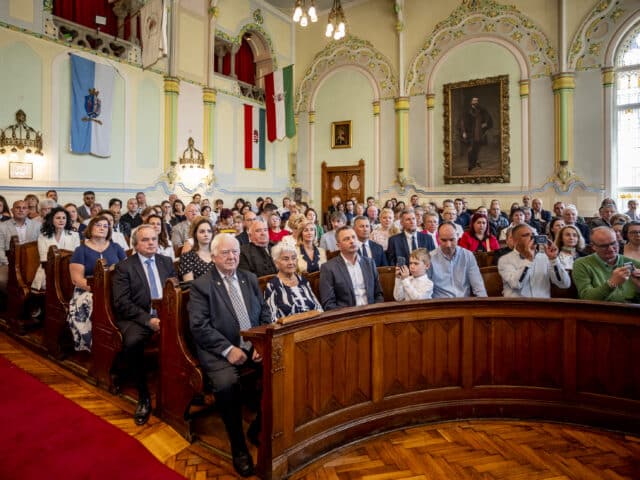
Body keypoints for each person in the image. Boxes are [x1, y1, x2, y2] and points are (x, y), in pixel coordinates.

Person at [188, 233, 271, 476]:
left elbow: (264, 313)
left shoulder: (249, 278)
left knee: (281, 369)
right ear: (214, 256)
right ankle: (238, 446)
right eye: (225, 252)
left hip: (252, 345)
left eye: (235, 252)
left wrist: (260, 343)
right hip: (218, 350)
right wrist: (228, 349)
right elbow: (199, 326)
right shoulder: (201, 285)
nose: (231, 256)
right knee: (227, 384)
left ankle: (257, 427)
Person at [112, 224, 176, 425]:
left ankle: (185, 387)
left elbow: (176, 291)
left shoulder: (166, 261)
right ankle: (143, 395)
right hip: (137, 318)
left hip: (166, 315)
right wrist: (149, 320)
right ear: (135, 244)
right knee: (133, 342)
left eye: (153, 239)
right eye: (145, 240)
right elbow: (122, 303)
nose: (151, 243)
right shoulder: (124, 267)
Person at [68, 215, 126, 352]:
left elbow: (127, 271)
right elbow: (76, 279)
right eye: (98, 225)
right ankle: (96, 344)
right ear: (90, 228)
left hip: (114, 288)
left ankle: (121, 340)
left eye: (105, 226)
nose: (102, 228)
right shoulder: (81, 250)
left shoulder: (116, 247)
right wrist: (98, 289)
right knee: (90, 302)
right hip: (87, 289)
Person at [319, 226, 384, 310]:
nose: (352, 241)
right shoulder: (328, 268)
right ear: (339, 246)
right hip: (347, 315)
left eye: (353, 237)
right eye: (346, 239)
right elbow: (328, 304)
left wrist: (375, 311)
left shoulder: (369, 263)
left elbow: (378, 294)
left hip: (371, 312)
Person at [498, 224, 570, 298]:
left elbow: (564, 284)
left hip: (542, 303)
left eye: (533, 235)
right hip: (517, 304)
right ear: (514, 241)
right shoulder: (505, 260)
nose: (532, 238)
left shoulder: (545, 258)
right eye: (526, 235)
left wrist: (553, 259)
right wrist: (528, 260)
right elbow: (516, 284)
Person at [572, 227, 640, 302]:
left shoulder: (635, 264)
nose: (611, 249)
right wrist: (611, 283)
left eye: (613, 243)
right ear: (593, 246)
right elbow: (586, 297)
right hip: (599, 308)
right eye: (604, 246)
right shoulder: (582, 264)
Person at [264, 243, 323, 322]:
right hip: (290, 328)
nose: (291, 262)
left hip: (312, 325)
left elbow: (318, 308)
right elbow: (272, 318)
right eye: (286, 259)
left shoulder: (303, 281)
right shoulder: (272, 285)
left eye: (293, 258)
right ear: (276, 263)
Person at [430, 222, 487, 298]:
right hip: (440, 303)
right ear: (438, 238)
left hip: (463, 302)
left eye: (452, 240)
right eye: (444, 240)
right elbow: (426, 289)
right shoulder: (430, 258)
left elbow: (478, 286)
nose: (448, 245)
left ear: (457, 236)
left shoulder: (468, 256)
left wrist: (483, 302)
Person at [31, 207, 80, 291]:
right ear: (51, 220)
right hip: (48, 271)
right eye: (58, 218)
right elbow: (44, 259)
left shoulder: (74, 235)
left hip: (69, 271)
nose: (61, 220)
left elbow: (76, 257)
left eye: (64, 218)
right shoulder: (43, 236)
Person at [461, 96, 492, 171]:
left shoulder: (481, 110)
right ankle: (470, 165)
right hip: (470, 133)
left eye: (477, 101)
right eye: (474, 100)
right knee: (470, 148)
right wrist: (463, 132)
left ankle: (476, 162)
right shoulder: (467, 111)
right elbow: (462, 122)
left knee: (477, 148)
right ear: (471, 102)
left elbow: (488, 118)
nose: (476, 102)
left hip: (479, 133)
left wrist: (486, 123)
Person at [179, 216, 214, 281]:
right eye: (202, 232)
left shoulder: (217, 254)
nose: (206, 234)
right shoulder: (187, 256)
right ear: (195, 234)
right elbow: (189, 283)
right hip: (198, 287)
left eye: (209, 231)